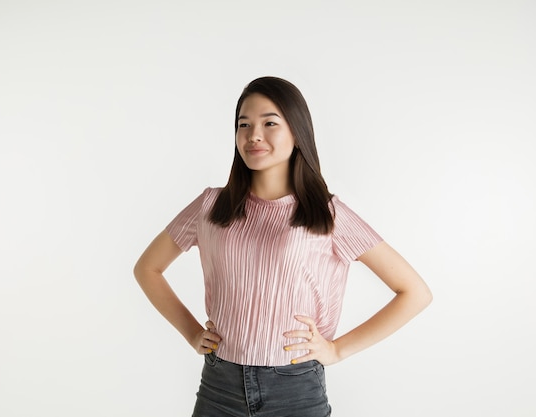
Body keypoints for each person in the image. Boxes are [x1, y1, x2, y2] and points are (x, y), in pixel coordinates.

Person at [133, 76, 432, 417]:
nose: (254, 135)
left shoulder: (327, 214)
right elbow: (147, 268)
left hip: (295, 388)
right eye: (244, 124)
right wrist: (191, 333)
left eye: (269, 123)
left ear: (297, 132)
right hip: (219, 386)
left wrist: (335, 350)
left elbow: (414, 292)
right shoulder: (211, 206)